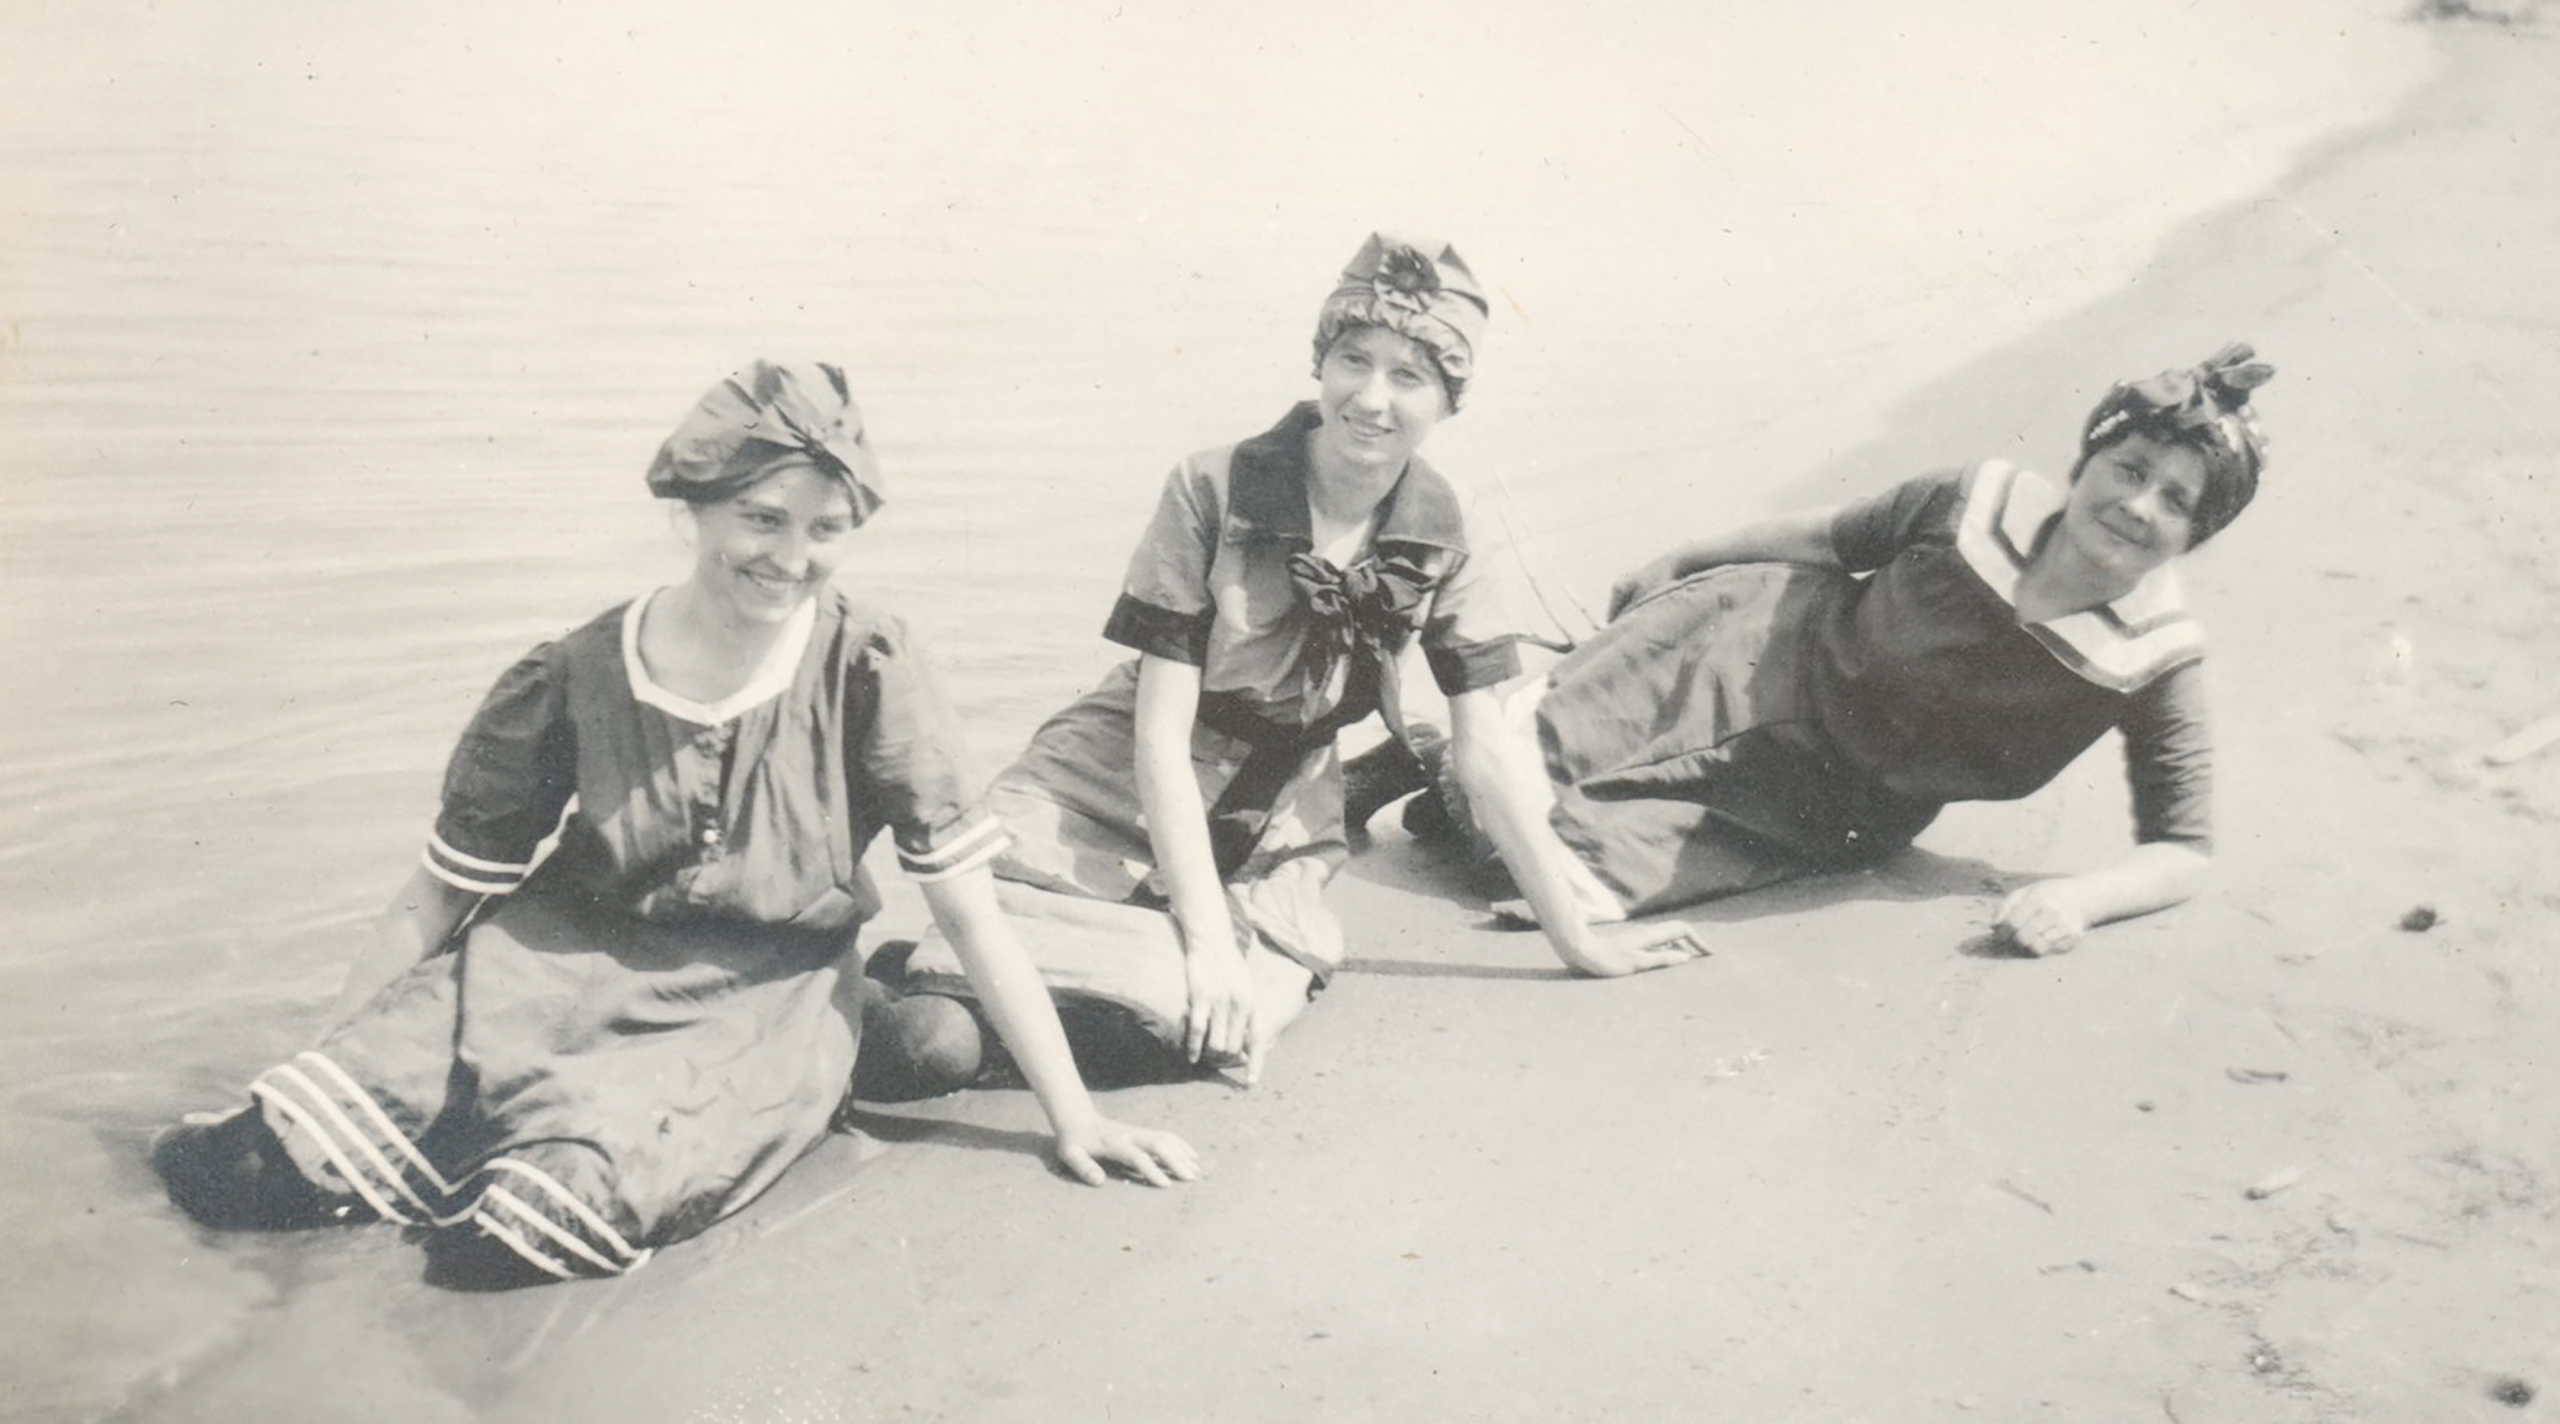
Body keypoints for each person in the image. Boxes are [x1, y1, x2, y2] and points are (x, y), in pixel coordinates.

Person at [150, 360, 1199, 1285]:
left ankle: (848, 1050)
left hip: (759, 988)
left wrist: (1078, 1120)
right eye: (761, 517)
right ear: (691, 511)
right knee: (246, 1166)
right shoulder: (575, 670)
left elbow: (968, 913)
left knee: (522, 1228)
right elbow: (439, 890)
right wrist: (319, 1058)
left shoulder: (869, 665)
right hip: (549, 963)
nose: (789, 557)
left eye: (824, 529)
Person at [890, 235, 1704, 1086]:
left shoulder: (1449, 532)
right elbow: (1158, 735)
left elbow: (1487, 752)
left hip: (1280, 814)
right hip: (1105, 786)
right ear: (1323, 361)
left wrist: (1578, 939)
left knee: (1232, 1019)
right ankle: (940, 1022)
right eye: (1355, 360)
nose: (1373, 399)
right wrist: (1205, 941)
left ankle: (962, 1029)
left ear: (1449, 402)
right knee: (1070, 975)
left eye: (1410, 376)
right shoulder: (1211, 487)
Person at [1388, 343, 2272, 957]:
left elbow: (2184, 849)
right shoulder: (1974, 502)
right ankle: (1424, 764)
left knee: (1538, 870)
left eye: (2176, 499)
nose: (2138, 506)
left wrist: (2078, 900)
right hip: (1746, 645)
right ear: (2087, 464)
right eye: (2128, 470)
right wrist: (1683, 560)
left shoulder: (2154, 657)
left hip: (1826, 800)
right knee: (1522, 756)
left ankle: (1428, 769)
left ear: (2201, 531)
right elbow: (1826, 538)